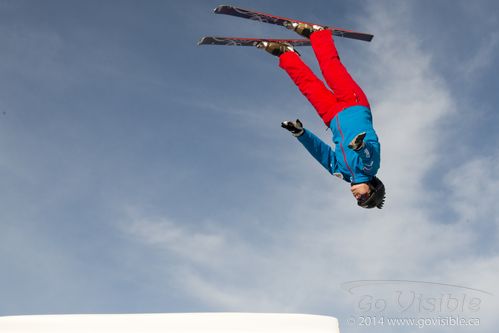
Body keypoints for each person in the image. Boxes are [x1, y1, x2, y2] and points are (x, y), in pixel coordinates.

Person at [257, 23, 385, 209]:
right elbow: (369, 155)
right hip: (354, 104)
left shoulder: (341, 172)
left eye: (358, 201)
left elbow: (321, 153)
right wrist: (360, 146)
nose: (357, 197)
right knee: (331, 69)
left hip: (332, 117)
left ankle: (286, 54)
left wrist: (301, 134)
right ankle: (319, 35)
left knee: (308, 86)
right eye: (363, 198)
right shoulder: (369, 169)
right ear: (372, 188)